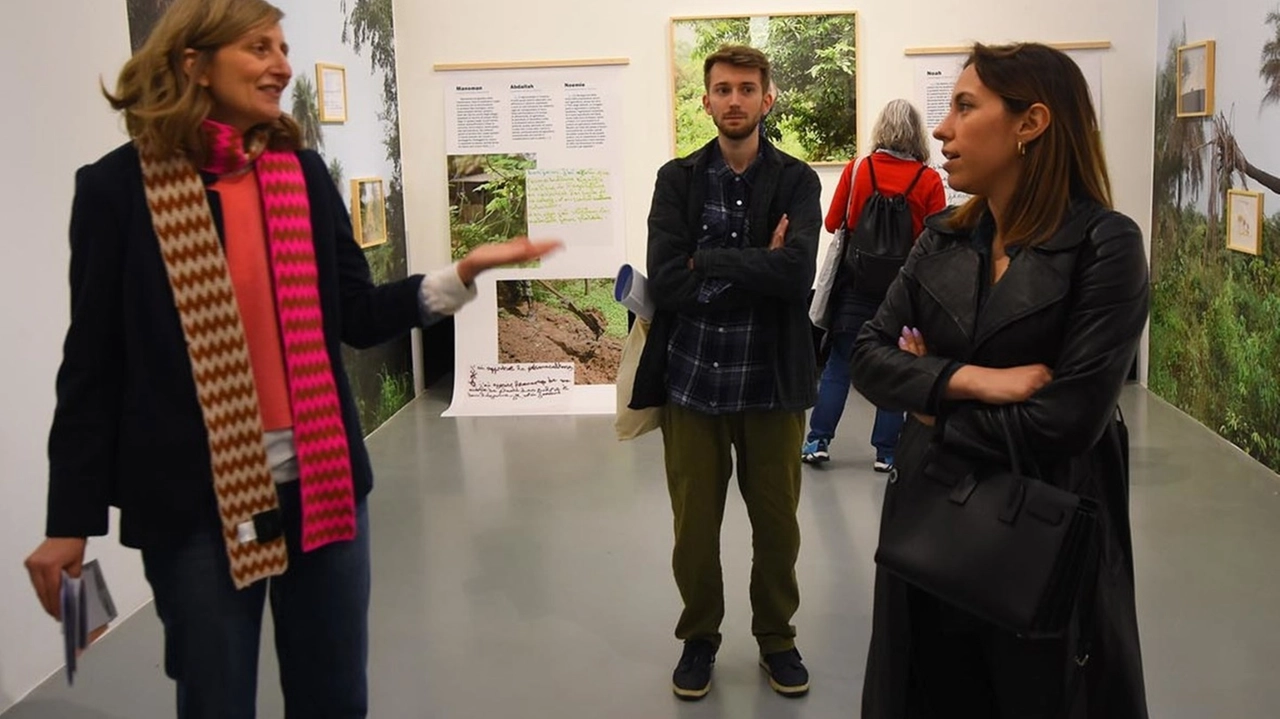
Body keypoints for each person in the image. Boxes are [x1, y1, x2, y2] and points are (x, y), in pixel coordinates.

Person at [21, 1, 558, 717]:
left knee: (334, 696)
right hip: (193, 505)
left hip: (323, 483)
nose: (281, 64)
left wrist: (461, 273)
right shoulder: (117, 190)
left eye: (283, 46)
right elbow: (91, 365)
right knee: (216, 700)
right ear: (194, 63)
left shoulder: (299, 175)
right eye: (258, 48)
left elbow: (359, 314)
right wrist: (68, 522)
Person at [850, 43, 1149, 717]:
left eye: (964, 106)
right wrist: (974, 379)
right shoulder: (942, 238)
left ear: (1030, 123)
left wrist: (926, 397)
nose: (941, 129)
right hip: (928, 527)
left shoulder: (1106, 246)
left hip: (1041, 535)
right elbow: (869, 355)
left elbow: (1067, 419)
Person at [630, 44, 822, 700]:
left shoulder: (797, 181)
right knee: (694, 528)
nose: (733, 100)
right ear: (706, 100)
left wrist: (709, 260)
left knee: (777, 525)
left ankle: (777, 636)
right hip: (689, 382)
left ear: (767, 98)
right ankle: (699, 637)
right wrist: (753, 262)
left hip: (770, 383)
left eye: (746, 88)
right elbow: (670, 286)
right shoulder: (676, 180)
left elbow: (797, 274)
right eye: (722, 89)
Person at [801, 99, 945, 470]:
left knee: (839, 365)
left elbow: (833, 223)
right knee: (894, 367)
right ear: (916, 134)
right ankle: (887, 452)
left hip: (854, 288)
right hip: (903, 292)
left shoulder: (857, 170)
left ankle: (818, 440)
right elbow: (937, 243)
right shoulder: (928, 180)